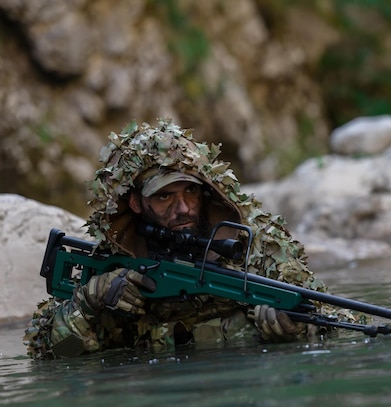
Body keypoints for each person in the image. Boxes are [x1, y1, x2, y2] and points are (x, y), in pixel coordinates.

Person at [24, 118, 343, 359]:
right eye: (164, 197)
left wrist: (299, 328)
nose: (184, 208)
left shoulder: (257, 242)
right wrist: (88, 301)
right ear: (136, 204)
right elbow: (53, 356)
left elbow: (332, 319)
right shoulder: (114, 261)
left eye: (191, 190)